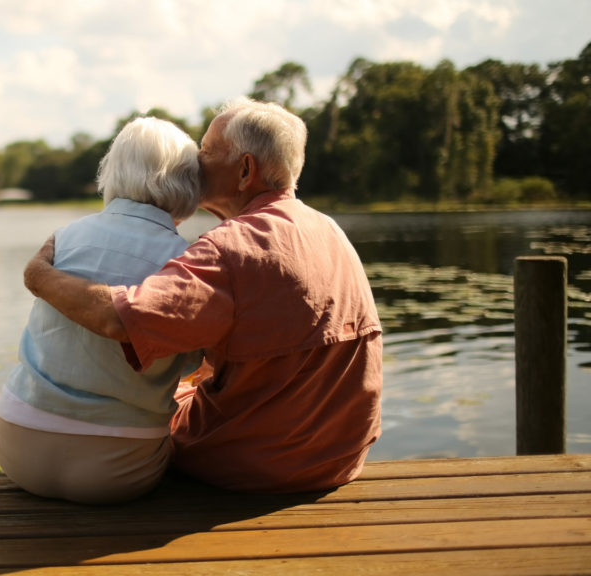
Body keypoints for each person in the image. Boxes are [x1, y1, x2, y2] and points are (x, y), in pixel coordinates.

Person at [23, 97, 383, 493]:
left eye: (207, 151)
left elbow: (118, 319)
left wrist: (39, 275)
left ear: (246, 170)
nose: (195, 161)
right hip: (337, 458)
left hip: (260, 464)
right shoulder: (329, 229)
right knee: (182, 383)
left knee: (150, 402)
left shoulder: (231, 247)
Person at [0, 117, 204, 504]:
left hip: (15, 446)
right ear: (189, 183)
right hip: (118, 469)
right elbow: (190, 363)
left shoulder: (63, 238)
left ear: (113, 171)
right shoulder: (187, 261)